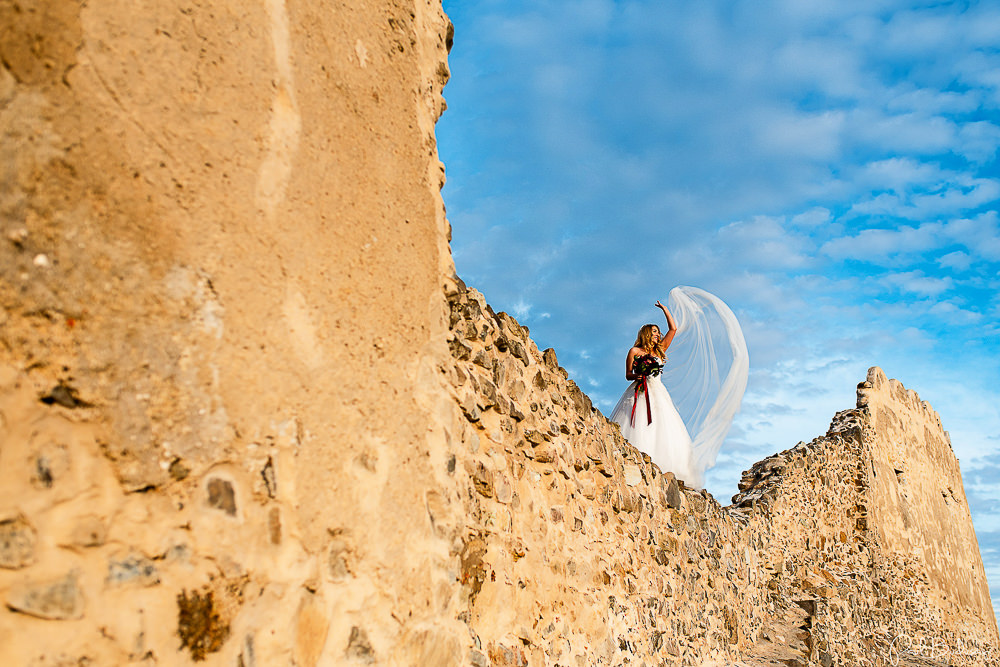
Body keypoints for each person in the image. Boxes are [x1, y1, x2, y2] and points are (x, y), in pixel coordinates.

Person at [609, 300, 696, 484]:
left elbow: (673, 329)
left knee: (662, 425)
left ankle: (661, 469)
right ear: (647, 334)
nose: (658, 335)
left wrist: (665, 310)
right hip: (639, 391)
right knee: (637, 423)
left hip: (658, 392)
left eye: (658, 332)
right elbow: (627, 374)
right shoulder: (634, 351)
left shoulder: (660, 350)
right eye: (655, 332)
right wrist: (638, 376)